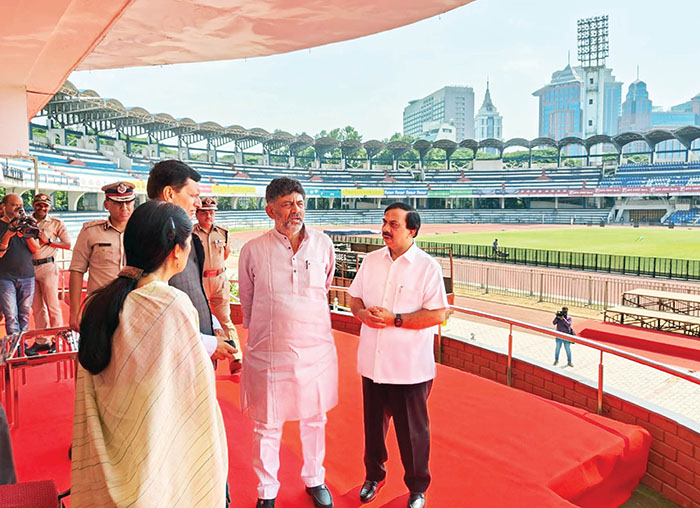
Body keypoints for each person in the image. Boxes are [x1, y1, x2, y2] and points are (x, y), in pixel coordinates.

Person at [71, 200, 228, 507]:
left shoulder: (102, 302)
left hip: (116, 451)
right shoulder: (170, 305)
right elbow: (192, 394)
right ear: (176, 252)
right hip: (151, 453)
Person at [239, 177, 337, 508]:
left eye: (299, 203)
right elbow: (248, 301)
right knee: (267, 424)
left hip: (315, 350)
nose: (295, 210)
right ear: (270, 211)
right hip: (270, 351)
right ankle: (266, 491)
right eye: (286, 204)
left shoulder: (323, 244)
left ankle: (315, 479)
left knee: (315, 419)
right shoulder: (253, 250)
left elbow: (324, 287)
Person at [348, 202, 448, 508]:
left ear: (412, 230)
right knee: (373, 430)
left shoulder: (427, 267)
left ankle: (417, 488)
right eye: (384, 222)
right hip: (373, 363)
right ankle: (373, 477)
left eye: (393, 224)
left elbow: (438, 314)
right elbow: (354, 299)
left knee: (413, 434)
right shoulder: (371, 261)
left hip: (409, 369)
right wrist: (362, 314)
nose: (385, 229)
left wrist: (396, 320)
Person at [147, 160, 235, 363]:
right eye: (193, 196)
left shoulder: (187, 237)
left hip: (197, 351)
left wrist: (212, 324)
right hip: (175, 359)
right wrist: (208, 343)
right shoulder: (149, 238)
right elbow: (157, 311)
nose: (198, 204)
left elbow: (194, 291)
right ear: (169, 194)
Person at [68, 181, 135, 332]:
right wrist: (74, 312)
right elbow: (77, 271)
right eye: (118, 203)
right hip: (100, 305)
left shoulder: (142, 231)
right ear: (106, 205)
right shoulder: (90, 231)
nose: (124, 208)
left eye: (128, 202)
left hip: (133, 305)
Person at [194, 197, 243, 373]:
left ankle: (236, 358)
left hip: (219, 281)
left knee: (225, 319)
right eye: (204, 213)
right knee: (199, 321)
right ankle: (202, 361)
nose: (208, 216)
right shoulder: (191, 234)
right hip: (199, 281)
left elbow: (225, 254)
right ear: (197, 214)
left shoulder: (223, 233)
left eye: (211, 212)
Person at [26, 193, 71, 355]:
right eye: (39, 204)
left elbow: (67, 244)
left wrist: (49, 241)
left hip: (48, 267)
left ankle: (57, 341)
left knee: (53, 306)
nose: (42, 208)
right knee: (37, 308)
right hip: (29, 268)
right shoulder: (26, 222)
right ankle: (42, 341)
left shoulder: (55, 223)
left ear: (49, 207)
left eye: (45, 205)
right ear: (34, 205)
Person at [0, 193, 40, 335]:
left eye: (20, 205)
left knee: (24, 315)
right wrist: (9, 233)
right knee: (11, 316)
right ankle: (14, 347)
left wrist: (26, 235)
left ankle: (22, 345)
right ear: (4, 206)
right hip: (5, 277)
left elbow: (36, 249)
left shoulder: (30, 222)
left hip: (27, 275)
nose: (18, 208)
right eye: (14, 205)